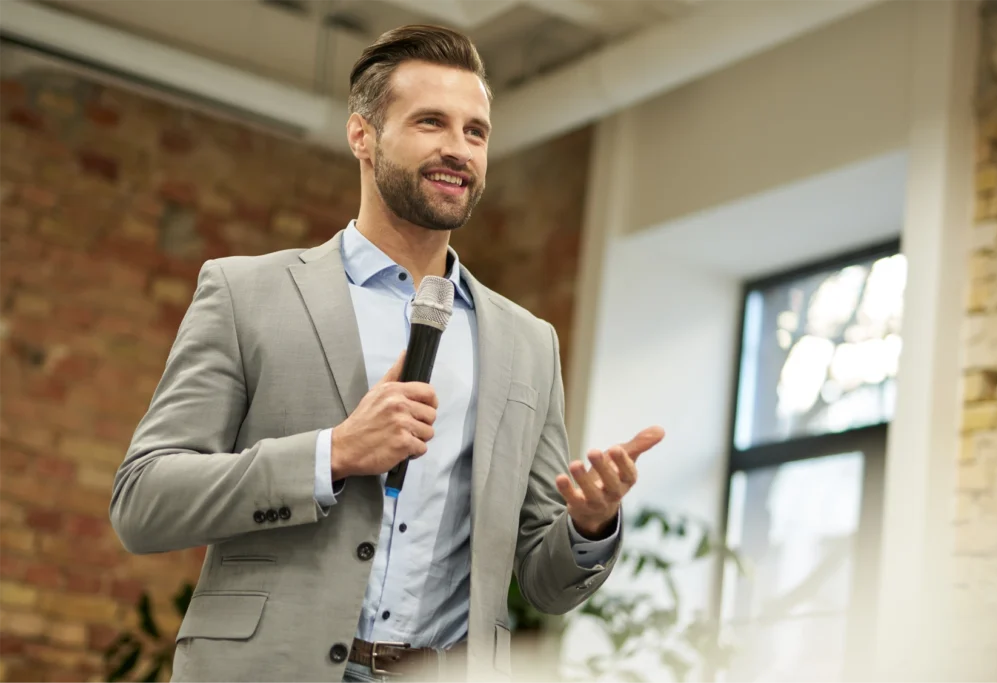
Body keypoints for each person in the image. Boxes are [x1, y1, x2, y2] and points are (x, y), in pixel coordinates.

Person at [109, 23, 664, 683]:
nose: (458, 149)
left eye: (475, 131)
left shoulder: (528, 343)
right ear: (361, 136)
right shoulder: (245, 293)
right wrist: (333, 453)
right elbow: (143, 501)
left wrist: (589, 524)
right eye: (432, 122)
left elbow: (544, 584)